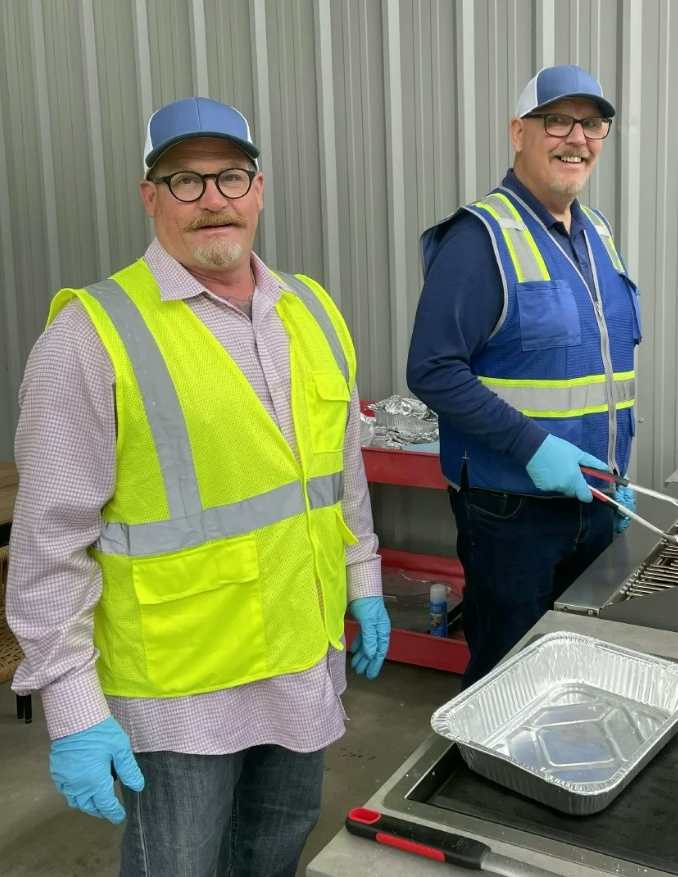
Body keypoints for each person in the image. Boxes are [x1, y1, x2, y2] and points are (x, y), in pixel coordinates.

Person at [7, 96, 391, 877]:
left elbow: (338, 476)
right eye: (185, 180)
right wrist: (74, 708)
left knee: (273, 858)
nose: (213, 198)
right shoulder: (89, 336)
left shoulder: (311, 311)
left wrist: (364, 579)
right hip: (179, 699)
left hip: (300, 667)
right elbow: (49, 543)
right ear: (150, 197)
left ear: (258, 189)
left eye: (231, 176)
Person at [407, 65, 641, 686]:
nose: (576, 138)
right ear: (519, 131)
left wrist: (617, 473)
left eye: (592, 124)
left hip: (595, 500)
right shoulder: (480, 237)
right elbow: (432, 369)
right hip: (513, 516)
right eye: (557, 120)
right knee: (508, 678)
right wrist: (532, 447)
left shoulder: (598, 235)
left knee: (574, 672)